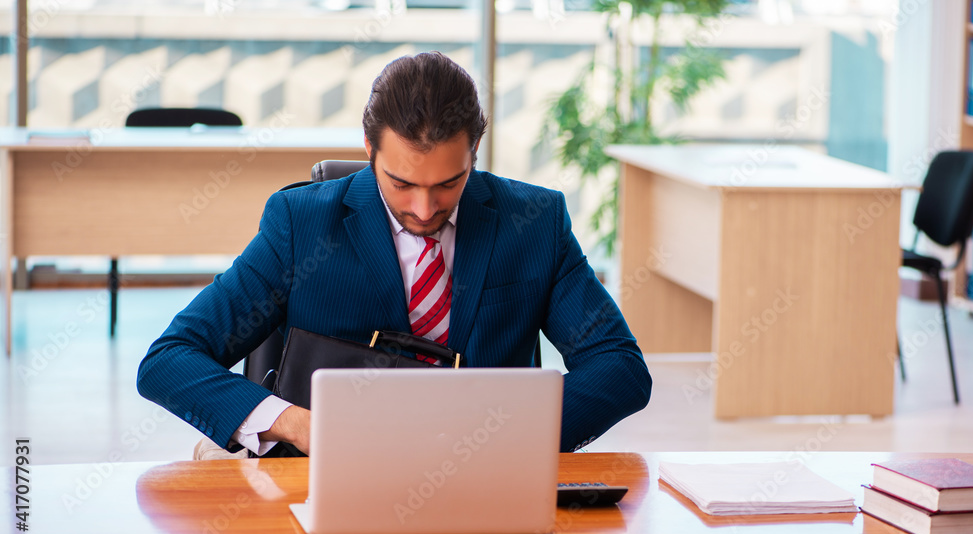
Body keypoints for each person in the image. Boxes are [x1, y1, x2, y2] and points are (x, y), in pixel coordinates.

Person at [137, 51, 651, 456]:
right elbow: (169, 360)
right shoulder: (302, 224)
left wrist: (507, 435)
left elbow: (620, 368)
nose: (425, 208)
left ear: (475, 150)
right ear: (368, 146)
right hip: (323, 478)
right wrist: (296, 424)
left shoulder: (534, 223)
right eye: (402, 183)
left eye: (449, 183)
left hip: (485, 480)